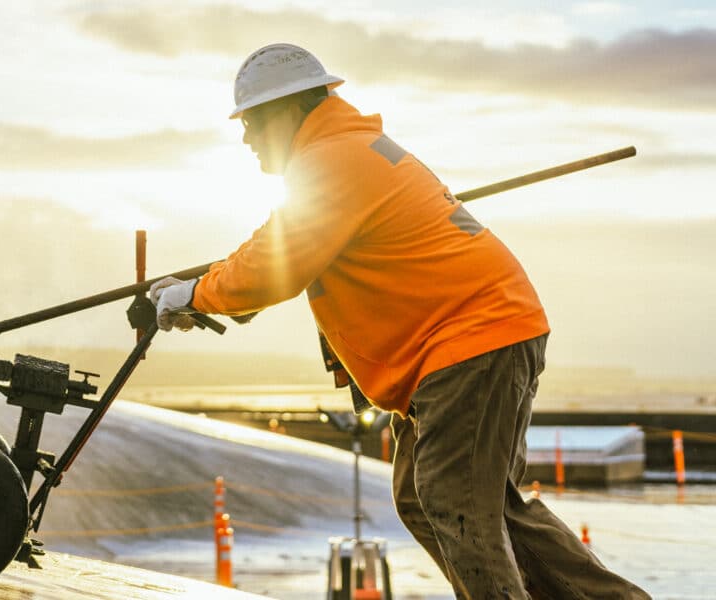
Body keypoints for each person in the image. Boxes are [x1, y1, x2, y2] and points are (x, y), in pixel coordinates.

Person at [148, 43, 647, 599]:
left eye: (254, 121)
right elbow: (279, 262)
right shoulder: (347, 151)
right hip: (479, 335)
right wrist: (199, 298)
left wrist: (192, 292)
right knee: (432, 498)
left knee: (455, 501)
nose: (246, 138)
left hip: (471, 338)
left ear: (290, 110)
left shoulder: (332, 160)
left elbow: (272, 266)